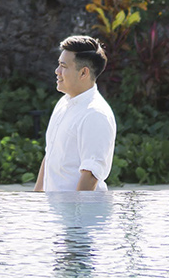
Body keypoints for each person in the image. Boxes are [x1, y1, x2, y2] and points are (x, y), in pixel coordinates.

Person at [34, 34, 117, 192]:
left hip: (81, 207)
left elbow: (90, 175)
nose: (57, 71)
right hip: (55, 206)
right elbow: (50, 155)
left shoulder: (95, 114)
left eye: (63, 66)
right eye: (59, 64)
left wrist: (76, 209)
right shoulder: (64, 103)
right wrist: (36, 201)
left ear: (83, 73)